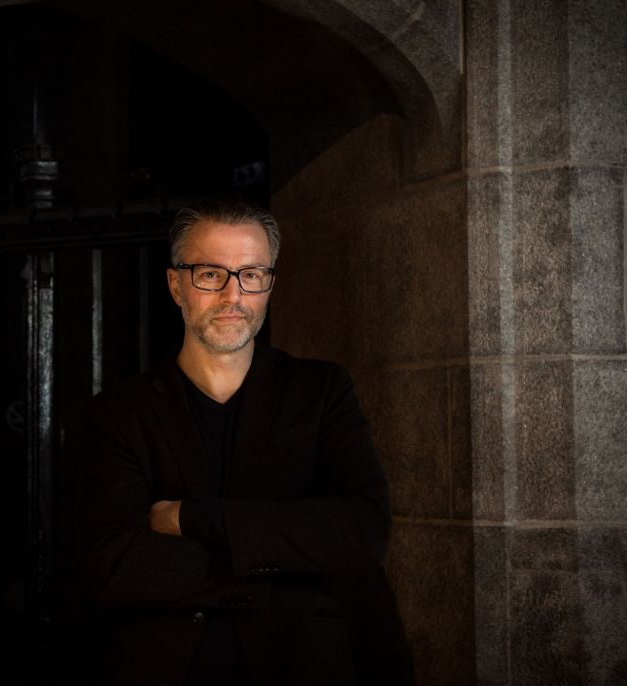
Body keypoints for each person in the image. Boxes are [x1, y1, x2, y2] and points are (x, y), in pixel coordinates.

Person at [79, 198, 412, 685]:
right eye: (210, 274)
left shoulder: (321, 392)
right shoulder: (118, 412)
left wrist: (194, 518)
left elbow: (363, 531)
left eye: (251, 274)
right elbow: (113, 563)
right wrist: (284, 566)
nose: (233, 295)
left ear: (269, 284)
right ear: (176, 285)